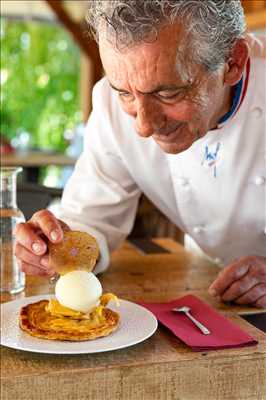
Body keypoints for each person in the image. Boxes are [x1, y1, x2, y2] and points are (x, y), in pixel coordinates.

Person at [15, 0, 266, 307]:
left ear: (233, 62)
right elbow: (91, 218)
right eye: (125, 93)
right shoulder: (109, 105)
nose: (144, 126)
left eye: (168, 92)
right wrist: (55, 245)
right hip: (211, 289)